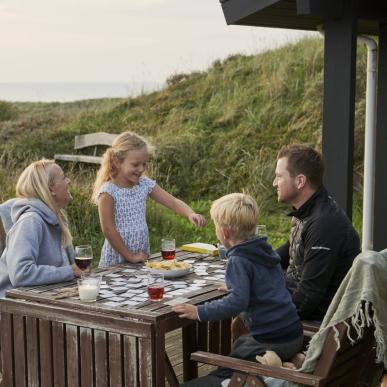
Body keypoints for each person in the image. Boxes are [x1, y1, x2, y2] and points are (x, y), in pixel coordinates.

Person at [172, 193, 303, 387]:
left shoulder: (238, 260)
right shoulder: (264, 249)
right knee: (241, 345)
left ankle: (277, 369)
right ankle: (283, 364)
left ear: (224, 232)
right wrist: (240, 286)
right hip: (293, 335)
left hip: (270, 340)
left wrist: (198, 311)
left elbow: (237, 302)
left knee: (228, 366)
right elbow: (270, 282)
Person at [91, 131, 206, 268]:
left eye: (144, 164)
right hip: (117, 260)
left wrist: (190, 213)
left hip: (141, 256)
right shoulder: (108, 192)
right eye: (135, 165)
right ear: (117, 161)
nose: (141, 169)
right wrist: (130, 256)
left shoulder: (144, 184)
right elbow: (108, 229)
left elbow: (172, 201)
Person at [273, 144, 360, 321]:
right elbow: (292, 248)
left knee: (244, 314)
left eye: (279, 177)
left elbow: (308, 298)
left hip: (320, 320)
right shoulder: (307, 210)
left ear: (300, 181)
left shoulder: (323, 223)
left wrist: (268, 314)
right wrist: (252, 266)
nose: (275, 183)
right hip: (296, 298)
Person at [0, 159, 83, 298]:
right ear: (51, 189)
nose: (68, 181)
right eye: (63, 178)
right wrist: (70, 271)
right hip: (12, 308)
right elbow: (21, 274)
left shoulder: (56, 219)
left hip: (37, 300)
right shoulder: (30, 221)